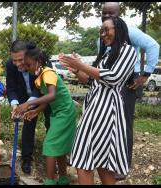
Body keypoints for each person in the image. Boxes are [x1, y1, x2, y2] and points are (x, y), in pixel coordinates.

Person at [59, 16, 137, 185]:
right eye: (101, 30)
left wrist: (81, 65)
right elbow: (91, 81)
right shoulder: (108, 54)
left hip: (106, 110)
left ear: (119, 30)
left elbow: (114, 78)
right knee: (101, 159)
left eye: (107, 29)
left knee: (83, 157)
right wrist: (75, 69)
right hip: (95, 109)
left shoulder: (128, 51)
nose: (103, 34)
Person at [100, 2, 160, 179]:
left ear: (119, 14)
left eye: (111, 13)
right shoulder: (103, 34)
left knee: (123, 122)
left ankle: (122, 166)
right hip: (110, 81)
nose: (107, 15)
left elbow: (153, 46)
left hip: (128, 81)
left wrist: (146, 74)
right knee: (109, 121)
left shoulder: (129, 32)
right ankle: (106, 159)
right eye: (104, 13)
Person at [13, 47, 77, 185]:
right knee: (59, 146)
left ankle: (49, 181)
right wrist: (36, 111)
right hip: (58, 112)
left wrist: (27, 105)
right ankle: (63, 179)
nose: (27, 68)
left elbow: (52, 95)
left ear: (38, 61)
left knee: (50, 144)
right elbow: (48, 101)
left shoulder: (48, 73)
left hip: (65, 112)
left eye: (29, 64)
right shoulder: (39, 77)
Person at [6, 39, 51, 174]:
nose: (18, 64)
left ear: (29, 56)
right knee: (28, 125)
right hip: (25, 98)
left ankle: (54, 155)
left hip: (46, 97)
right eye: (14, 60)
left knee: (51, 123)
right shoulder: (10, 65)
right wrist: (15, 105)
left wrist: (29, 104)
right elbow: (11, 87)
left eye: (21, 60)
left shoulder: (39, 61)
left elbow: (42, 88)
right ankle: (27, 159)